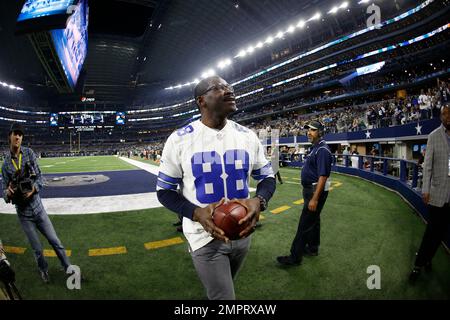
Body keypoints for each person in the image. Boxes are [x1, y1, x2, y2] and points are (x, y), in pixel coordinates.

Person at [157, 76, 276, 300]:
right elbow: (164, 192)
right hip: (203, 236)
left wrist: (258, 200)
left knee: (222, 289)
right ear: (202, 100)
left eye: (230, 87)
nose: (229, 91)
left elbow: (267, 178)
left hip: (243, 231)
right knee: (224, 298)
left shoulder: (248, 136)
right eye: (220, 88)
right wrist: (196, 213)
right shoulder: (179, 140)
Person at [1, 123, 72, 283]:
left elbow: (40, 178)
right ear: (10, 137)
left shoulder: (29, 153)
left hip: (38, 208)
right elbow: (4, 194)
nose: (18, 137)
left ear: (22, 137)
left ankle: (67, 266)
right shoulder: (5, 165)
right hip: (24, 214)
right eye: (15, 134)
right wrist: (8, 193)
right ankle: (43, 270)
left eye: (20, 134)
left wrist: (33, 190)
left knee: (55, 241)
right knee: (38, 249)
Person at [277, 121, 332, 266]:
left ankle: (295, 257)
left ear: (320, 132)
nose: (309, 132)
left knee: (304, 224)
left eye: (313, 130)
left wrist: (314, 198)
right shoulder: (316, 148)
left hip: (315, 191)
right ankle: (313, 248)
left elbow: (323, 176)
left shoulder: (322, 150)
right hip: (310, 190)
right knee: (314, 221)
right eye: (308, 130)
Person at [409, 105, 450, 283]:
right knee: (431, 233)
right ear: (440, 116)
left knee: (440, 234)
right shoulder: (434, 136)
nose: (448, 116)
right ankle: (418, 264)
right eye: (445, 113)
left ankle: (428, 259)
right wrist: (425, 190)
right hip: (437, 194)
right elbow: (427, 167)